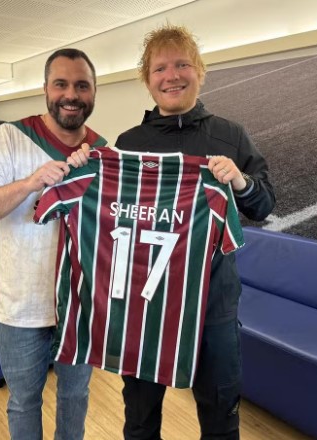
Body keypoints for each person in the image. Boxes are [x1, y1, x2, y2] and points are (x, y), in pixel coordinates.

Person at [115, 24, 276, 439]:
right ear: (147, 80)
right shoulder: (129, 143)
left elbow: (264, 205)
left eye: (182, 64)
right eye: (160, 68)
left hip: (213, 302)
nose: (172, 76)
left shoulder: (230, 135)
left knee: (221, 414)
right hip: (146, 301)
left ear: (199, 70)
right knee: (140, 415)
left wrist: (240, 182)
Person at [0, 48, 108, 439]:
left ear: (94, 91)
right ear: (46, 88)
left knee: (75, 397)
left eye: (82, 85)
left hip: (80, 306)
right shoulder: (10, 136)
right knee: (24, 401)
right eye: (61, 84)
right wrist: (30, 183)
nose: (71, 95)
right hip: (21, 306)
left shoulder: (102, 150)